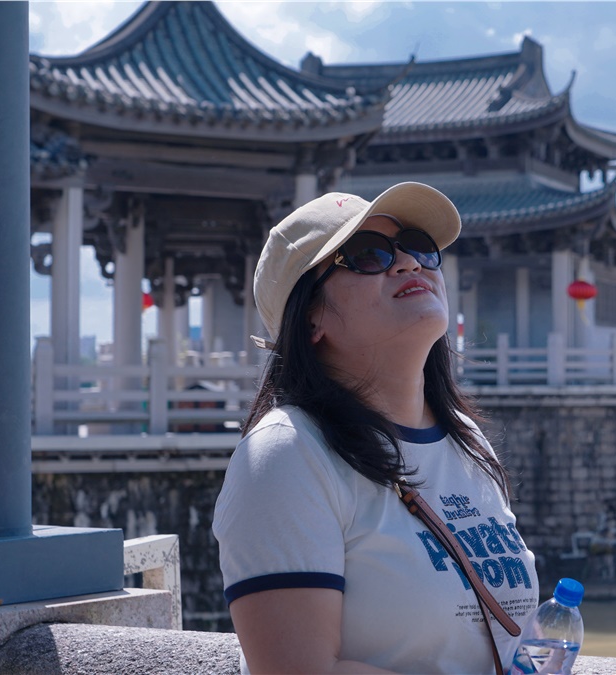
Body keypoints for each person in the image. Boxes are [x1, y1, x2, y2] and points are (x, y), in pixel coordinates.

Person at [213, 182, 540, 674]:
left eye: (418, 246)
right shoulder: (287, 454)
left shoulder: (467, 442)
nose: (408, 263)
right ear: (310, 319)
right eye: (368, 254)